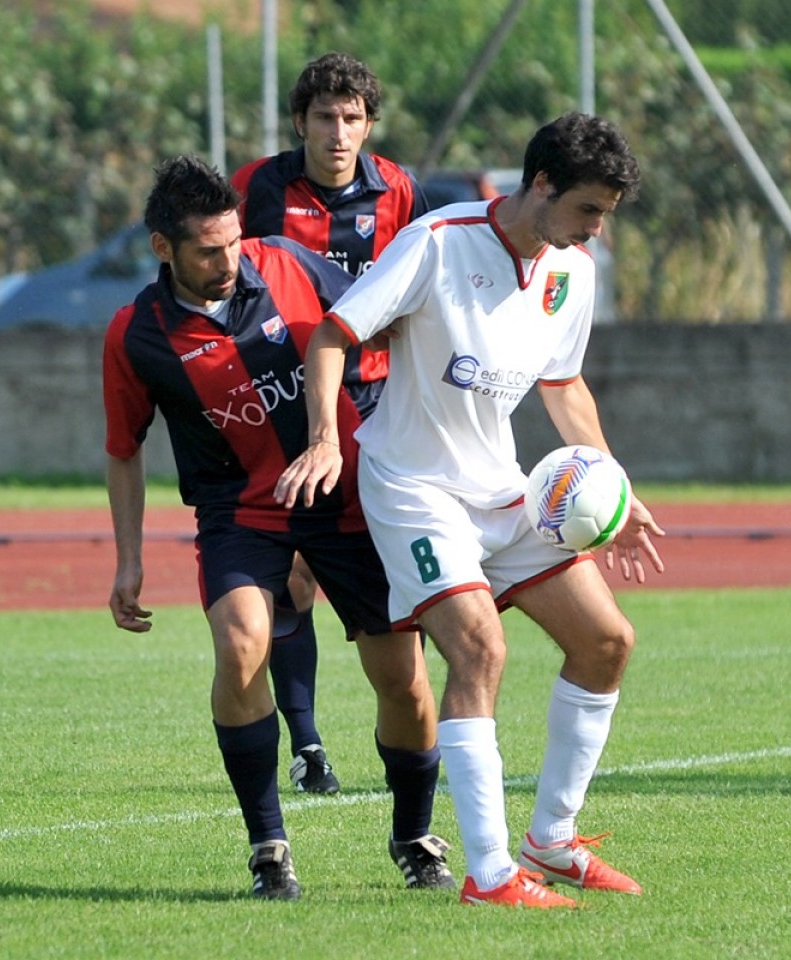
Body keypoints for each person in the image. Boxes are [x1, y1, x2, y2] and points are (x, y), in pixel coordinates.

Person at [276, 113, 666, 909]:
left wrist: (615, 487)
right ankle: (490, 875)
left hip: (502, 491)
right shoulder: (439, 241)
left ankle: (550, 841)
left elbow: (563, 385)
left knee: (607, 641)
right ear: (544, 185)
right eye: (589, 210)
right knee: (479, 649)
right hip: (414, 489)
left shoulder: (571, 270)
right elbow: (331, 335)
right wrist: (324, 441)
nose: (596, 229)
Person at [103, 155, 453, 900]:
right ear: (163, 247)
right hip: (240, 512)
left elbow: (379, 319)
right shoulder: (135, 335)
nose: (228, 259)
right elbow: (123, 450)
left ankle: (414, 835)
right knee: (239, 649)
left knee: (404, 680)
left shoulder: (288, 264)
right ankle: (269, 847)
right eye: (206, 248)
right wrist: (127, 561)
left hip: (348, 497)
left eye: (232, 241)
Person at [230, 52, 429, 795]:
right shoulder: (261, 187)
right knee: (294, 572)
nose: (337, 132)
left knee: (387, 572)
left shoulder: (398, 189)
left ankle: (413, 724)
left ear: (369, 125)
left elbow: (419, 279)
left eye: (351, 119)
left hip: (377, 402)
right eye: (324, 117)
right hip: (288, 403)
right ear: (300, 122)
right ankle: (307, 742)